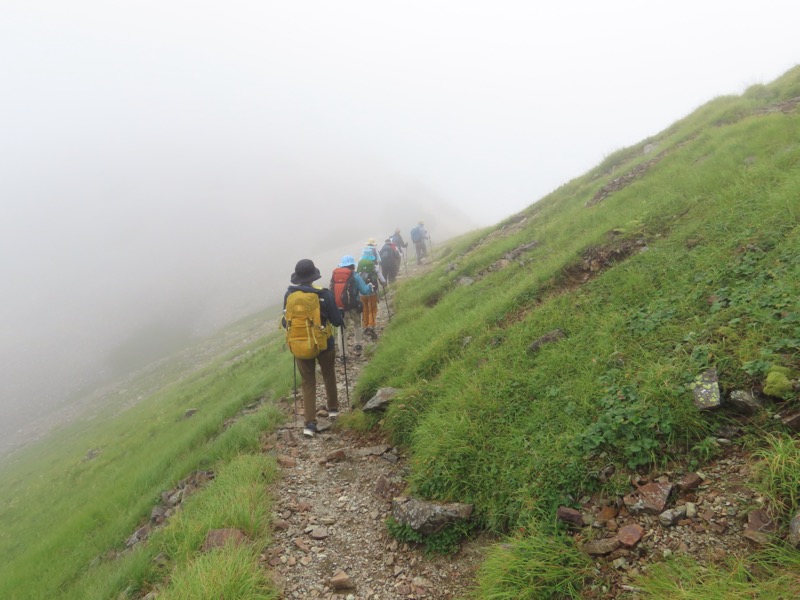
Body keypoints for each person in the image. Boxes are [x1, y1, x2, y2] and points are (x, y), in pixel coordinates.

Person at [283, 259, 344, 438]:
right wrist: (339, 315)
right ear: (313, 276)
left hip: (300, 345)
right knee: (328, 374)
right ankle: (333, 409)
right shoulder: (324, 294)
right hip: (324, 344)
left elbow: (285, 321)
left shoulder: (289, 295)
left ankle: (309, 423)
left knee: (308, 382)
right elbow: (336, 321)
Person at [330, 255, 371, 357]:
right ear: (352, 265)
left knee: (341, 330)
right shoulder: (355, 276)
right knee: (357, 325)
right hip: (354, 307)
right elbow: (364, 291)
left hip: (339, 308)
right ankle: (357, 344)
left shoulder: (335, 276)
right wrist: (370, 287)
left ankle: (343, 353)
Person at [357, 254, 385, 340]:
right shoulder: (374, 267)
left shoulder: (359, 268)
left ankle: (365, 326)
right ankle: (371, 326)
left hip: (362, 294)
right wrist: (383, 282)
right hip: (372, 292)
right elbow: (381, 277)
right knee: (373, 309)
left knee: (365, 309)